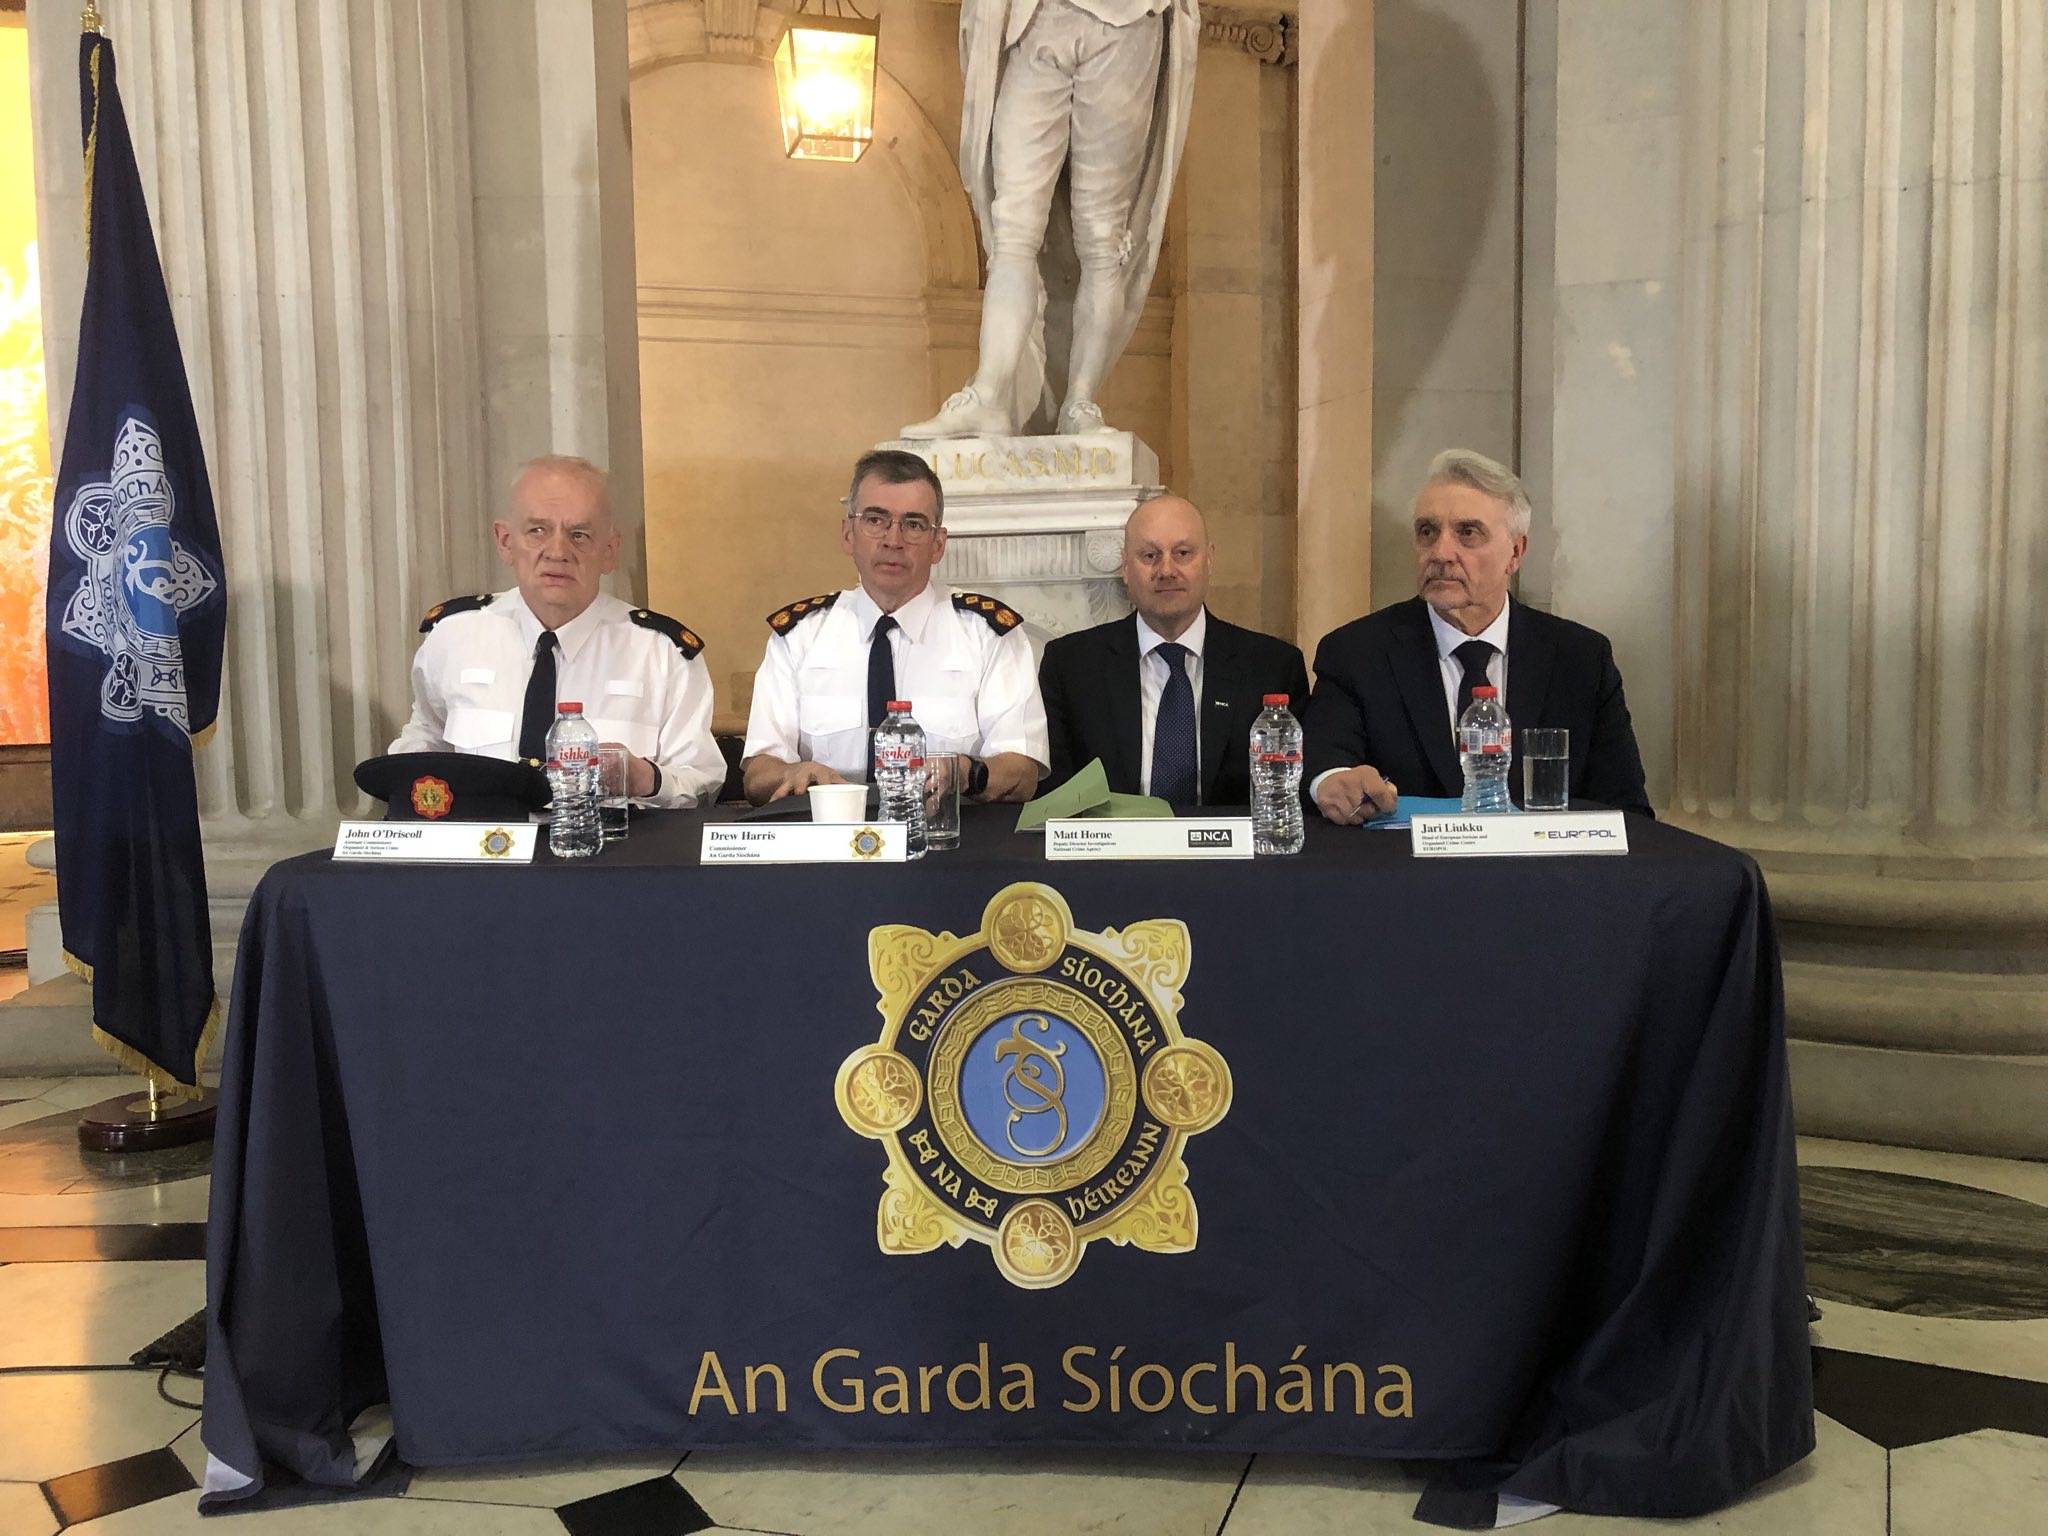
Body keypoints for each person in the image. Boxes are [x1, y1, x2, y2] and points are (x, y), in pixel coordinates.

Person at [900, 0, 1200, 439]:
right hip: (1037, 20)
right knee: (1013, 226)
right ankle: (990, 394)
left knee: (1102, 239)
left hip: (1129, 24)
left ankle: (1079, 402)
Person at [1305, 448, 1653, 822]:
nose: (1441, 553)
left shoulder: (1580, 659)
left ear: (1516, 552)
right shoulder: (1357, 653)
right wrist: (1333, 783)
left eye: (1467, 533)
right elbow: (1326, 766)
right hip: (1404, 859)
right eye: (1427, 532)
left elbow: (1625, 809)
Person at [391, 455, 725, 808]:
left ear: (609, 551)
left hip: (613, 841)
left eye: (579, 535)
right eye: (538, 531)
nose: (558, 551)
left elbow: (702, 782)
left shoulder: (661, 653)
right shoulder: (454, 637)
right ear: (505, 541)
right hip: (484, 840)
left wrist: (646, 779)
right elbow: (427, 739)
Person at [742, 450, 1049, 804]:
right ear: (848, 534)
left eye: (914, 525)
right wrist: (791, 773)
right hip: (828, 832)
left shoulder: (988, 635)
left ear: (938, 545)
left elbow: (1022, 771)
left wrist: (966, 772)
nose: (893, 540)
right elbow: (757, 774)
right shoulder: (800, 636)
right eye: (876, 520)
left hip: (951, 832)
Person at [1037, 494, 1308, 804]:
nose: (1166, 570)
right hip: (1115, 836)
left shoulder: (1272, 667)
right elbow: (1055, 796)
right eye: (1150, 555)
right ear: (1125, 567)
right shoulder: (1070, 666)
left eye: (1182, 553)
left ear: (1209, 560)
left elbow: (1288, 793)